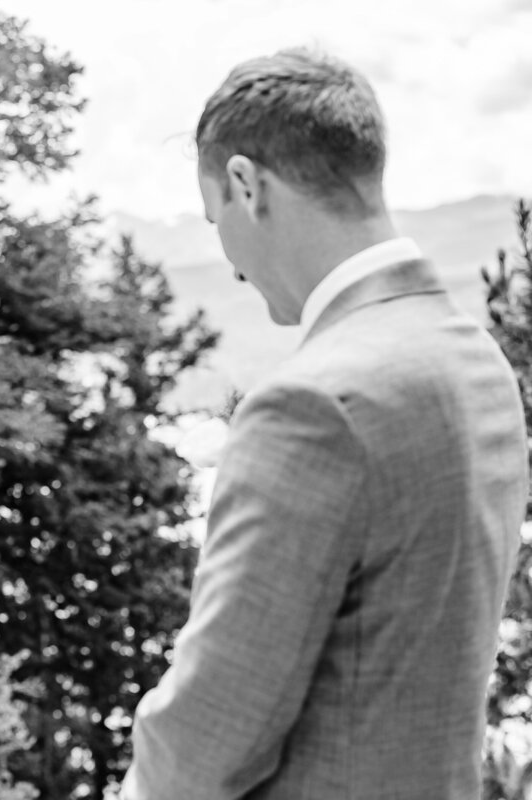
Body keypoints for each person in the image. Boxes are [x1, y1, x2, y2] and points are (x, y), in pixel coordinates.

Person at [121, 48, 528, 799]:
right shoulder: (478, 362)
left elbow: (210, 733)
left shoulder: (311, 407)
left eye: (216, 220)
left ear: (247, 185)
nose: (232, 264)